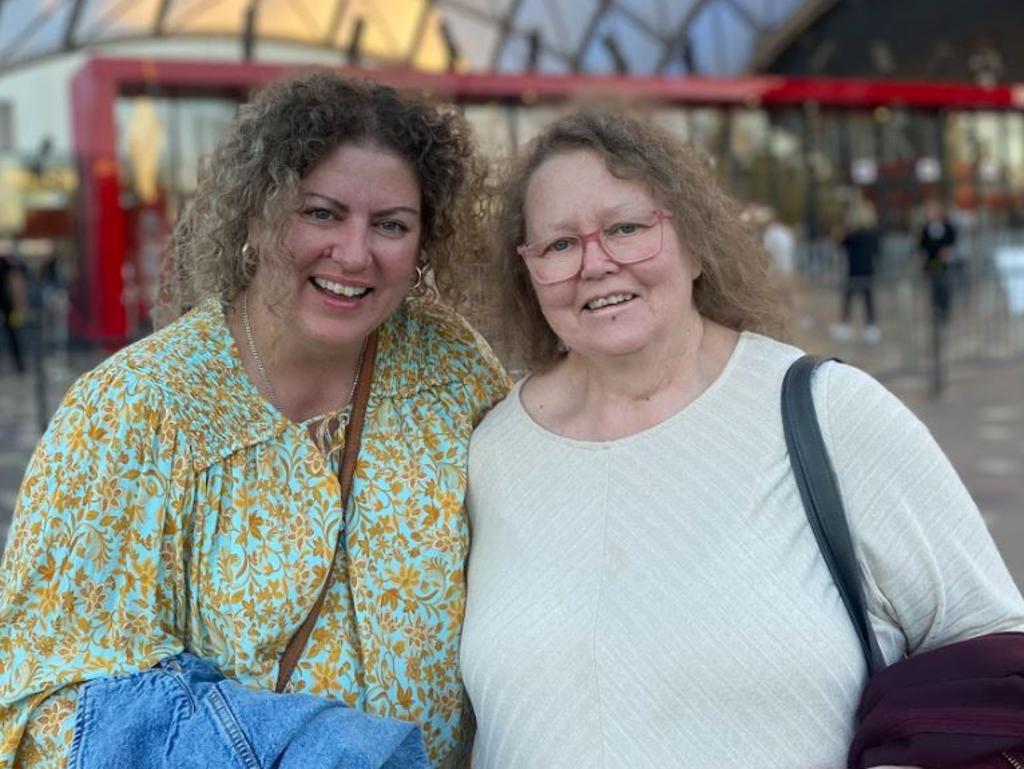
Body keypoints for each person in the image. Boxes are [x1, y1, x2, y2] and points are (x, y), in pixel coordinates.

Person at [460, 108, 1024, 769]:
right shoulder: (493, 453)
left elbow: (993, 654)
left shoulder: (831, 415)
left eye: (627, 228)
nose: (596, 262)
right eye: (559, 245)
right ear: (526, 270)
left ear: (695, 242)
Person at [0, 73, 509, 768]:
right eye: (322, 213)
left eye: (391, 224)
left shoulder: (451, 370)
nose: (355, 253)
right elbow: (34, 701)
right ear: (258, 212)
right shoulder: (136, 410)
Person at [830, 199, 882, 344]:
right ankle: (868, 328)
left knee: (854, 299)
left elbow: (839, 244)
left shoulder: (854, 234)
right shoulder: (870, 234)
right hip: (863, 270)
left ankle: (851, 326)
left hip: (856, 271)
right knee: (863, 299)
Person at [919, 199, 958, 324]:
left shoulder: (946, 226)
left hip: (944, 263)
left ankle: (944, 309)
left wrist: (946, 250)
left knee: (944, 287)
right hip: (932, 262)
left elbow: (952, 239)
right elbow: (922, 244)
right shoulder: (925, 228)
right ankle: (936, 310)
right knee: (934, 287)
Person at [0, 240, 27, 373]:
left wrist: (19, 306)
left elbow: (16, 285)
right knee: (12, 335)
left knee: (12, 334)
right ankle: (19, 364)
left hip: (7, 302)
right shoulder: (9, 264)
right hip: (7, 303)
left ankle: (19, 364)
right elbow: (16, 285)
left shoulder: (8, 264)